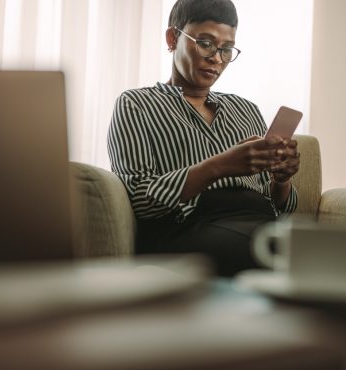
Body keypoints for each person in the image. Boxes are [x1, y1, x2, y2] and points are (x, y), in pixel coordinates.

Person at [107, 0, 300, 276]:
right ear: (173, 38)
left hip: (261, 222)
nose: (217, 59)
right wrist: (221, 165)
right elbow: (139, 200)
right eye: (206, 43)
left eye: (226, 49)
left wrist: (282, 180)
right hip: (190, 226)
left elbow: (283, 209)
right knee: (297, 251)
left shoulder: (246, 109)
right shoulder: (136, 104)